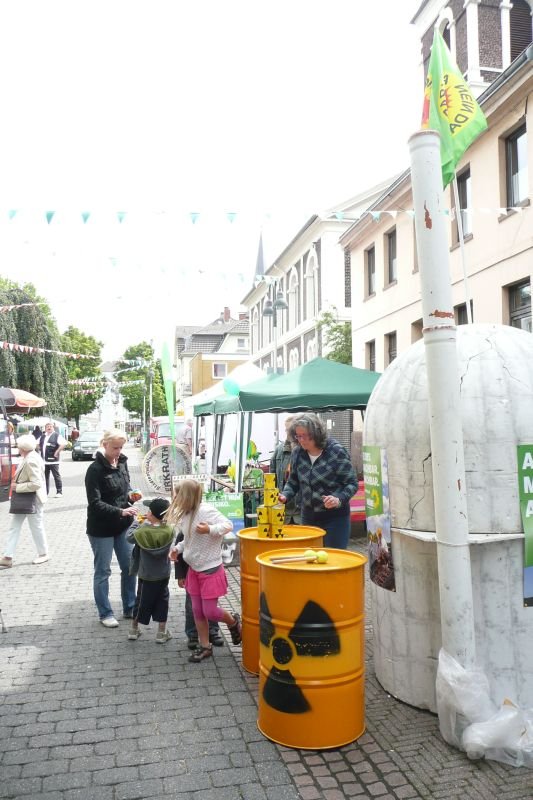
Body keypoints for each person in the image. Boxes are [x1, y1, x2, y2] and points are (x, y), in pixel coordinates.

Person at [167, 479, 242, 663]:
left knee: (210, 611)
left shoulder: (206, 510)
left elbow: (228, 525)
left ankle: (233, 621)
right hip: (194, 570)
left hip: (210, 570)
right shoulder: (186, 514)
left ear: (187, 496)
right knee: (197, 611)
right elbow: (189, 540)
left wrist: (210, 529)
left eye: (177, 496)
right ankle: (205, 646)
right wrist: (177, 548)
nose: (174, 499)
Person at [278, 412, 358, 550]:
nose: (302, 440)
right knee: (310, 557)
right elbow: (293, 481)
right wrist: (285, 495)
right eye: (298, 436)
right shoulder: (298, 453)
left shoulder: (336, 451)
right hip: (308, 516)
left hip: (335, 519)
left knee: (332, 557)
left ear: (316, 433)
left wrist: (338, 499)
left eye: (305, 435)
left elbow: (351, 483)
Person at [85, 429, 138, 628]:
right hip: (101, 528)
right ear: (104, 444)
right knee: (103, 571)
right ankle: (105, 613)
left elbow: (126, 488)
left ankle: (130, 606)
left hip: (123, 526)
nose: (118, 451)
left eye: (121, 447)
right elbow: (95, 503)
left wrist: (132, 495)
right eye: (115, 447)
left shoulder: (122, 462)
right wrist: (120, 511)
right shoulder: (95, 470)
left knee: (129, 567)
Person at [126, 497, 174, 643]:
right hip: (163, 573)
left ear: (151, 514)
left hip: (146, 574)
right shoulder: (169, 530)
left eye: (148, 511)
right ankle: (161, 632)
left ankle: (134, 629)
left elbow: (129, 537)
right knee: (162, 600)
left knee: (141, 600)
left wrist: (137, 523)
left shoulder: (142, 531)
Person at [0, 434, 49, 568]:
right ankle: (8, 556)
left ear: (23, 448)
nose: (17, 448)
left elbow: (36, 483)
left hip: (33, 499)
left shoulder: (30, 460)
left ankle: (44, 553)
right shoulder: (31, 457)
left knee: (35, 527)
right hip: (26, 499)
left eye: (18, 446)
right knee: (15, 527)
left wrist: (17, 487)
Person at [270, 415, 301, 525]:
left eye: (291, 430)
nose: (288, 433)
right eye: (287, 430)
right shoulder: (279, 450)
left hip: (301, 513)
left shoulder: (306, 450)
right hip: (282, 512)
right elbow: (271, 479)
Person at [38, 422, 67, 497]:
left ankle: (59, 492)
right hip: (44, 461)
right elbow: (37, 444)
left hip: (53, 461)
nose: (49, 428)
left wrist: (57, 451)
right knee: (45, 477)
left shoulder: (57, 435)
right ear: (45, 428)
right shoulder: (43, 436)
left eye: (50, 426)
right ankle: (45, 492)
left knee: (56, 476)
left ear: (53, 428)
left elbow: (64, 444)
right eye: (47, 426)